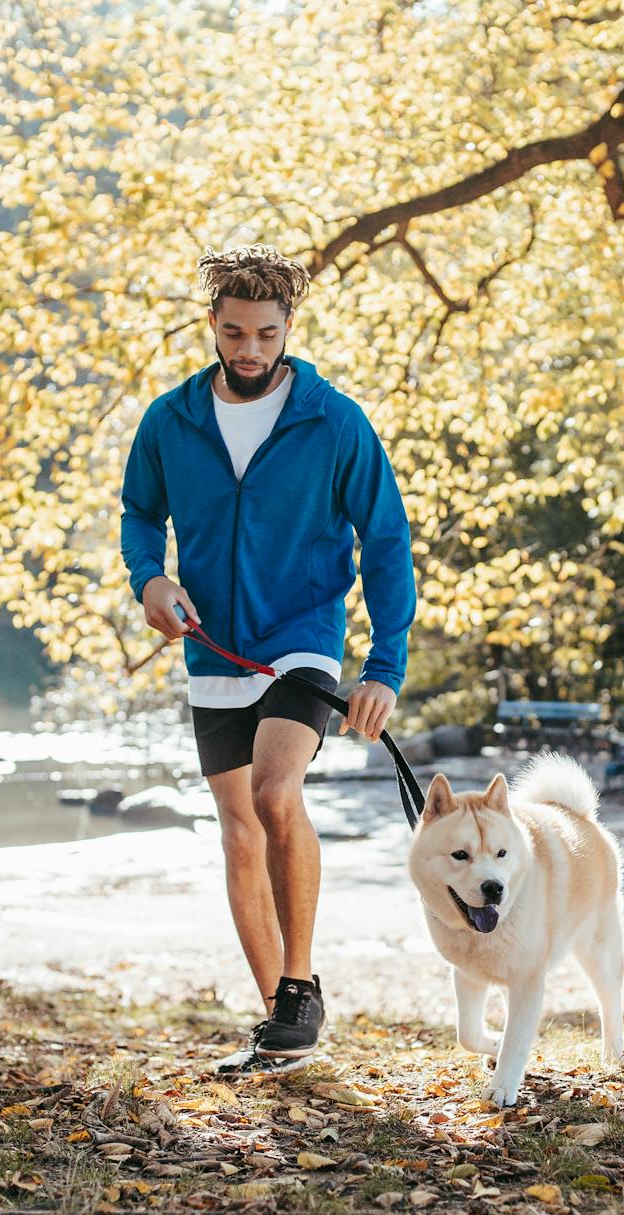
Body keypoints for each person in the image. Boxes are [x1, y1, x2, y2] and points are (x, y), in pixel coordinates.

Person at [119, 244, 416, 1074]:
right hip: (213, 645)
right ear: (211, 326)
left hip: (302, 637)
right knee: (239, 835)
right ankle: (280, 1029)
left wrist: (384, 667)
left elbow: (386, 540)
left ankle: (299, 985)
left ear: (290, 329)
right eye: (234, 332)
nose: (249, 349)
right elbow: (140, 512)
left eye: (265, 333)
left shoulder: (334, 420)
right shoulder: (169, 419)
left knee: (274, 790)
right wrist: (151, 579)